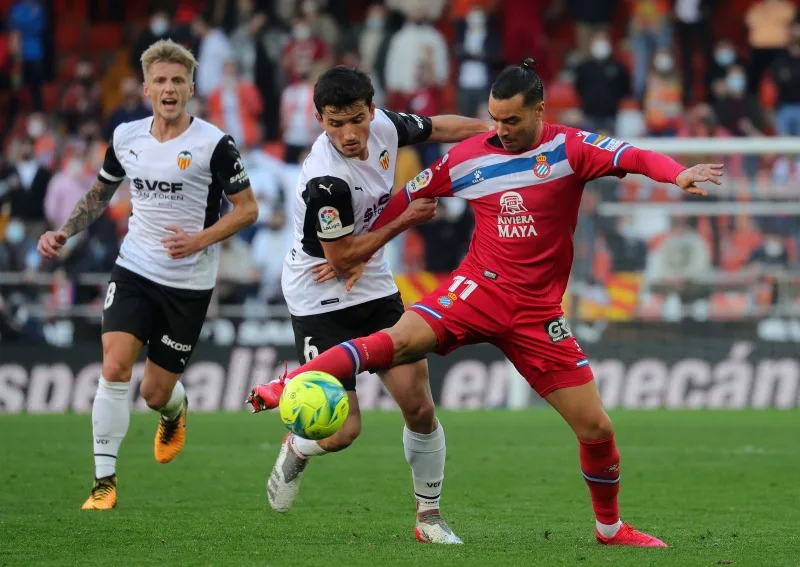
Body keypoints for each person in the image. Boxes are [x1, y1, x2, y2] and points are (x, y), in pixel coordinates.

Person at [249, 59, 723, 547]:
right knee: (390, 348)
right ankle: (285, 385)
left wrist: (678, 174)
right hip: (474, 290)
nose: (499, 131)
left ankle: (609, 529)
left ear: (540, 110)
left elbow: (632, 155)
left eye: (510, 121)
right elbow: (409, 198)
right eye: (493, 120)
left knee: (595, 426)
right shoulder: (439, 164)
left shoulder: (571, 148)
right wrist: (358, 250)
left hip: (538, 313)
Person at [248, 66, 489, 543]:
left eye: (355, 119)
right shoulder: (325, 182)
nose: (348, 133)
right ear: (319, 119)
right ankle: (297, 447)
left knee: (419, 407)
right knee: (342, 432)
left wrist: (493, 130)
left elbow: (437, 127)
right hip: (318, 295)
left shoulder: (383, 127)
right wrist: (407, 218)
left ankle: (429, 518)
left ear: (371, 110)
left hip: (373, 283)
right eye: (334, 123)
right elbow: (339, 259)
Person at [37, 39, 259, 510]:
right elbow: (100, 193)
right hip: (135, 266)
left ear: (192, 87)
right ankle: (103, 483)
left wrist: (199, 240)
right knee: (114, 367)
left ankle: (175, 410)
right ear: (145, 88)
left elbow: (247, 210)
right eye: (160, 80)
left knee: (154, 391)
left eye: (178, 80)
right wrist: (64, 232)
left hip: (190, 282)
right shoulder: (126, 137)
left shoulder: (214, 144)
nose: (169, 88)